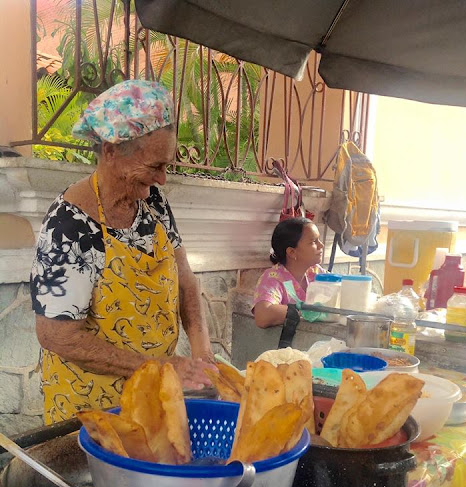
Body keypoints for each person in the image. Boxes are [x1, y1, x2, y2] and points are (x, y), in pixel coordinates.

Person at [30, 79, 215, 425]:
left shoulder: (153, 202)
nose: (162, 179)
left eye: (166, 165)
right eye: (155, 166)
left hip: (152, 399)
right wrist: (156, 366)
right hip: (93, 412)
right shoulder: (68, 226)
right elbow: (57, 335)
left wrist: (202, 351)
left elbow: (185, 279)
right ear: (111, 151)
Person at [253, 217, 325, 328]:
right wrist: (305, 311)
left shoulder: (316, 272)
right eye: (313, 242)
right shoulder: (274, 278)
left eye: (319, 240)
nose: (321, 245)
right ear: (292, 252)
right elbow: (263, 315)